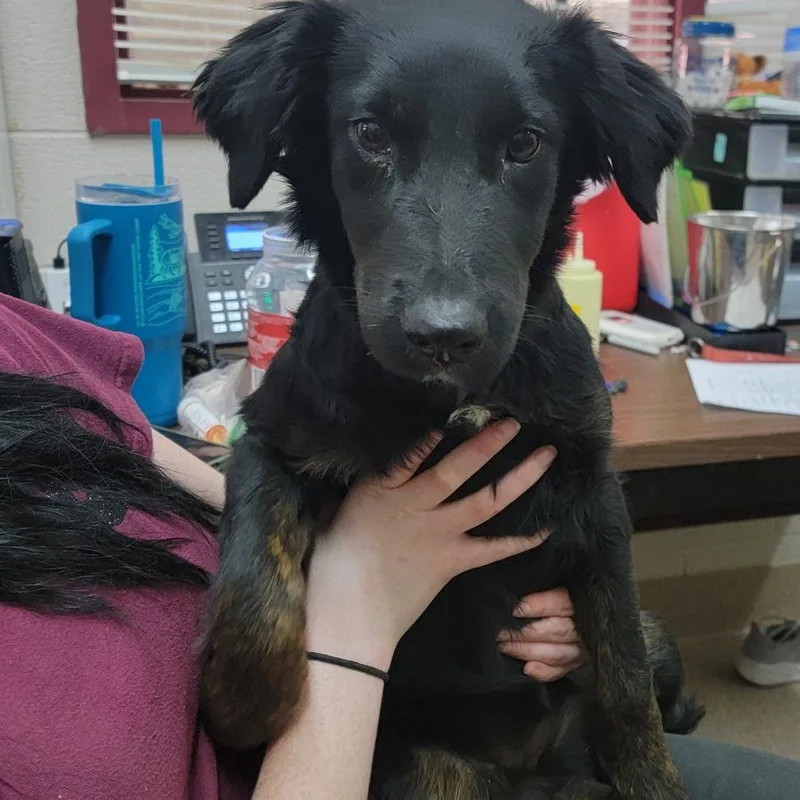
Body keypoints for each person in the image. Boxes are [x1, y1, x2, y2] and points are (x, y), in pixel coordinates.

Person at [1, 292, 798, 800]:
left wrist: (597, 647)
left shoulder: (16, 337)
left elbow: (131, 441)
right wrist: (357, 590)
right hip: (374, 744)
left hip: (519, 694)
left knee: (665, 669)